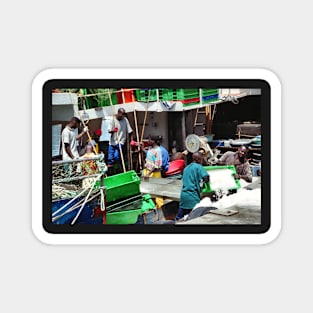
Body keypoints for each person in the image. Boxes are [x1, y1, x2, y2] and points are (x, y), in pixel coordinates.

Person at [175, 152, 210, 221]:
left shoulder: (186, 168)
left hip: (183, 197)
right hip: (193, 198)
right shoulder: (199, 167)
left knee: (178, 219)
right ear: (198, 159)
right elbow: (206, 178)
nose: (202, 160)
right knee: (193, 220)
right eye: (202, 159)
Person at [107, 108, 133, 173]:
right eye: (121, 115)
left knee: (116, 156)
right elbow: (109, 130)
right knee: (110, 158)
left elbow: (130, 131)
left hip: (120, 141)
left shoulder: (125, 120)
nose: (122, 117)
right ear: (118, 113)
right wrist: (113, 130)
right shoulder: (113, 120)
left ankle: (120, 169)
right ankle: (111, 172)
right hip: (112, 142)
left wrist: (131, 140)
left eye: (123, 116)